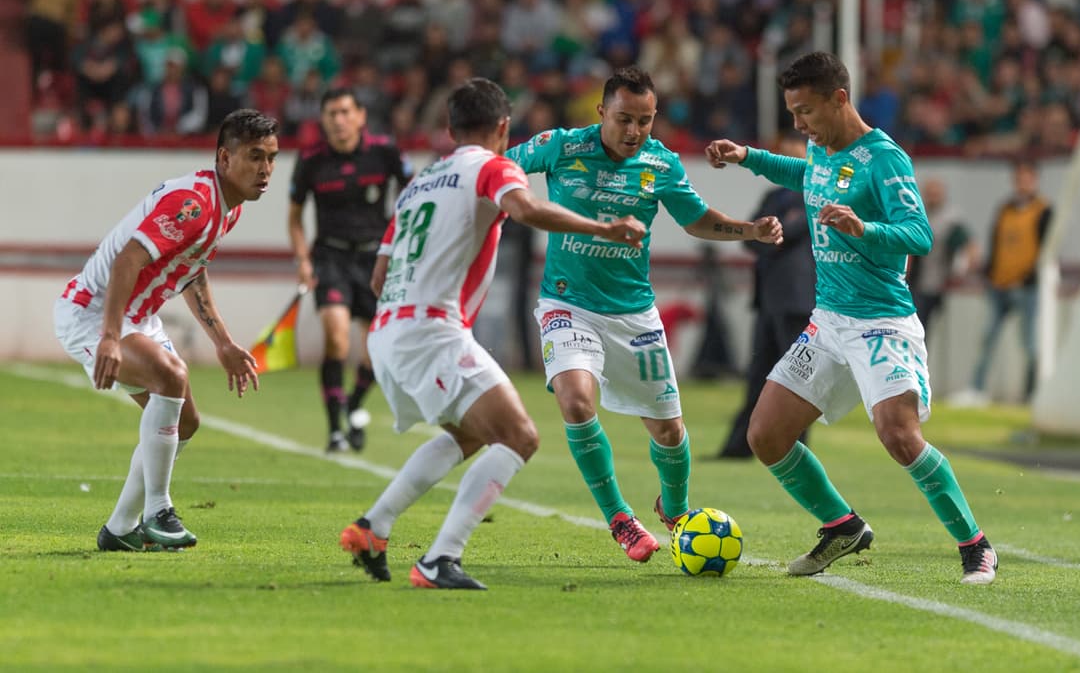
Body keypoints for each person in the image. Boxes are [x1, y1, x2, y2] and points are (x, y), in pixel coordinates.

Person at [338, 78, 647, 589]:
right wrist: (603, 228)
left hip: (388, 330)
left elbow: (378, 276)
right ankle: (440, 560)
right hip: (433, 331)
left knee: (470, 433)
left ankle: (374, 526)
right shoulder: (491, 166)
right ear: (503, 128)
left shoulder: (421, 181)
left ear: (450, 128)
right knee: (520, 436)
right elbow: (524, 209)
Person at [705, 51, 999, 585]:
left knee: (899, 435)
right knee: (766, 435)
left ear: (840, 99)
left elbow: (919, 235)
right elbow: (803, 173)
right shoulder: (821, 150)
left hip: (881, 323)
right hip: (828, 323)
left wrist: (864, 228)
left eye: (806, 111)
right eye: (792, 112)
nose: (799, 124)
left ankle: (975, 545)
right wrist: (747, 155)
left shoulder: (884, 158)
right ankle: (841, 526)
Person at [506, 66, 783, 562]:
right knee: (575, 402)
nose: (634, 131)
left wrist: (751, 232)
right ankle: (620, 519)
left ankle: (675, 511)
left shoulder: (661, 162)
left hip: (634, 315)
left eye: (645, 120)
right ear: (601, 113)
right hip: (567, 304)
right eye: (624, 119)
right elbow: (501, 170)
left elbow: (698, 221)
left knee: (670, 433)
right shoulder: (560, 146)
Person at [53, 109, 278, 552]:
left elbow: (192, 272)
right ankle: (159, 509)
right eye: (255, 157)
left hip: (137, 316)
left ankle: (120, 528)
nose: (266, 169)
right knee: (172, 376)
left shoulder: (226, 210)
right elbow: (127, 259)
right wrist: (112, 338)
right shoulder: (193, 203)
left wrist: (224, 342)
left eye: (271, 157)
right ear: (224, 157)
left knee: (187, 421)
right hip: (93, 311)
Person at [287, 88, 414, 453]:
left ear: (361, 116)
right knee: (337, 339)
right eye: (331, 114)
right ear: (323, 120)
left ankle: (354, 404)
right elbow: (295, 217)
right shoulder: (311, 159)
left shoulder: (385, 152)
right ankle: (334, 430)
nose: (338, 120)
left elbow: (417, 193)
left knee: (377, 352)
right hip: (331, 258)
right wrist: (303, 259)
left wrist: (406, 244)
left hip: (377, 260)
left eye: (345, 112)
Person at [717, 132, 816, 459]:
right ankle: (739, 447)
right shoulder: (773, 196)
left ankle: (797, 450)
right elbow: (751, 236)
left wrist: (766, 235)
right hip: (770, 298)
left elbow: (782, 235)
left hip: (797, 298)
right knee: (758, 374)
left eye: (793, 152)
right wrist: (765, 235)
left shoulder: (813, 195)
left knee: (797, 379)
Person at [953, 160, 1052, 406]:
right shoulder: (1005, 209)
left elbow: (1048, 248)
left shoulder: (1044, 210)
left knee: (1029, 343)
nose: (1022, 183)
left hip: (1027, 287)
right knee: (987, 339)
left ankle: (1032, 394)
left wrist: (1031, 276)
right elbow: (996, 244)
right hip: (998, 285)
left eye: (1027, 178)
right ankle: (977, 389)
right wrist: (989, 274)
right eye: (1019, 178)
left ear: (1035, 180)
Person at [908, 177, 977, 336]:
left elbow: (970, 246)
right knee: (915, 331)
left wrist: (961, 271)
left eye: (936, 193)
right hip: (915, 282)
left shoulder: (950, 219)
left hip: (937, 283)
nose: (933, 197)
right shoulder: (917, 215)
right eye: (930, 193)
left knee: (925, 331)